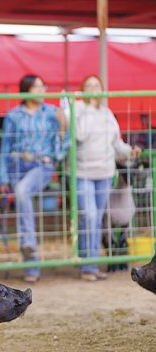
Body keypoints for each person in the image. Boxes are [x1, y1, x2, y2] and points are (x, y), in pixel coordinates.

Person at [0, 74, 69, 283]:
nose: (41, 90)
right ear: (26, 90)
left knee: (22, 191)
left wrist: (63, 127)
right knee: (21, 195)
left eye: (42, 86)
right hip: (17, 165)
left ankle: (28, 245)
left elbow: (62, 147)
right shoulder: (13, 116)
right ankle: (31, 266)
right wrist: (1, 178)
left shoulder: (53, 113)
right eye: (36, 86)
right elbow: (5, 148)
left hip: (42, 165)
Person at [74, 75, 141, 281]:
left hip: (104, 173)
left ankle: (91, 264)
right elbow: (79, 135)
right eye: (89, 86)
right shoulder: (77, 110)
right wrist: (87, 109)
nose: (93, 89)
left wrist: (129, 151)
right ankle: (88, 264)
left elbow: (116, 142)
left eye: (96, 85)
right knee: (90, 216)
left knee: (97, 218)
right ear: (83, 90)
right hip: (83, 172)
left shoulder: (108, 114)